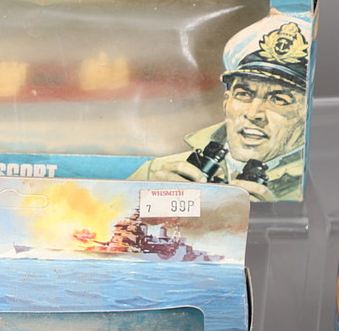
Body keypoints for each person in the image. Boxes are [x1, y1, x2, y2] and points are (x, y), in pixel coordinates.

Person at [129, 12, 309, 202]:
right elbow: (112, 216)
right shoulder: (156, 175)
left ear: (306, 113)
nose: (253, 113)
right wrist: (151, 203)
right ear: (226, 101)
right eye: (244, 94)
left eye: (279, 99)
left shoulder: (310, 189)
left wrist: (275, 216)